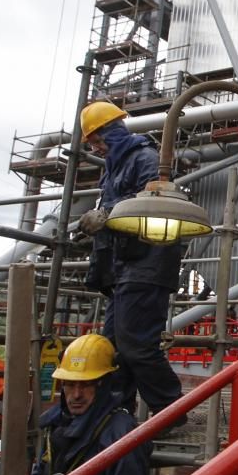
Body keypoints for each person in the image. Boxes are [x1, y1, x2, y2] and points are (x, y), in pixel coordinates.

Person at [76, 101, 185, 421]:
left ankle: (171, 412)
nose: (96, 147)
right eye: (92, 143)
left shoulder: (145, 158)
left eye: (97, 139)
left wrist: (107, 215)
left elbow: (157, 200)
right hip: (126, 264)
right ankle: (117, 412)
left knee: (136, 345)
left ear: (112, 130)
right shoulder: (115, 167)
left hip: (148, 263)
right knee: (113, 346)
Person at [26, 334, 151, 475]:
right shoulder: (56, 423)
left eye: (86, 385)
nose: (76, 394)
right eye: (70, 385)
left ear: (103, 385)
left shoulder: (121, 435)